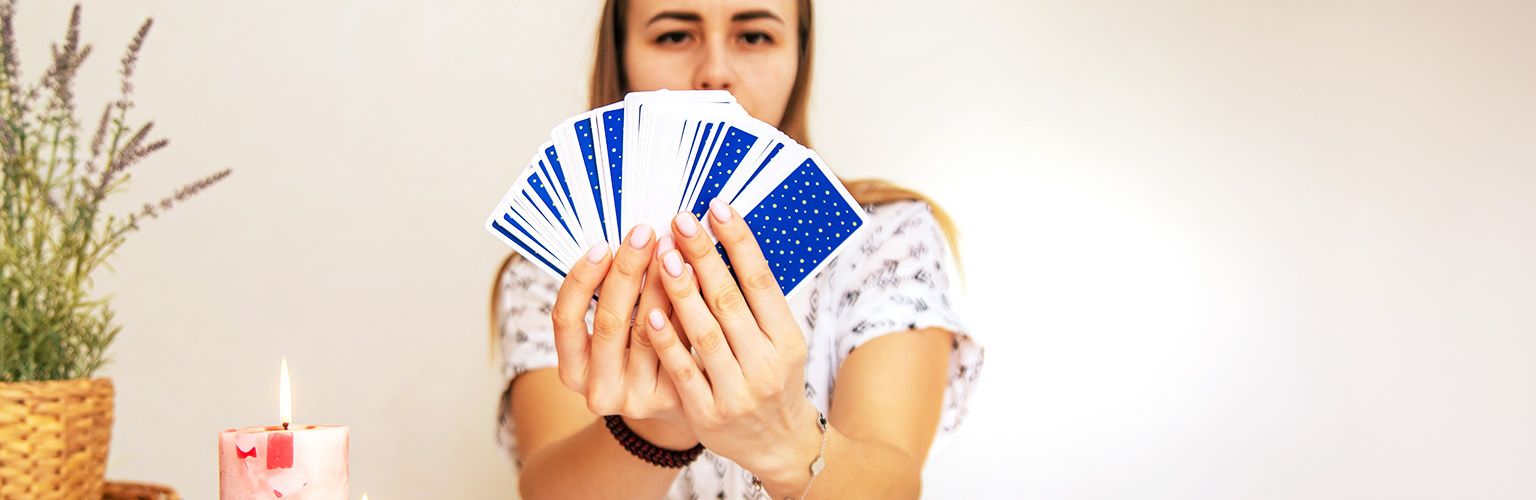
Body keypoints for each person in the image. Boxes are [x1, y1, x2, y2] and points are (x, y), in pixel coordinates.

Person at [490, 1, 984, 498]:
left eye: (754, 37)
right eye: (674, 36)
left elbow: (892, 484)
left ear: (799, 57)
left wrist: (786, 440)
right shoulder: (555, 270)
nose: (715, 72)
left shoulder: (885, 240)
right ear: (620, 55)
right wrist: (658, 428)